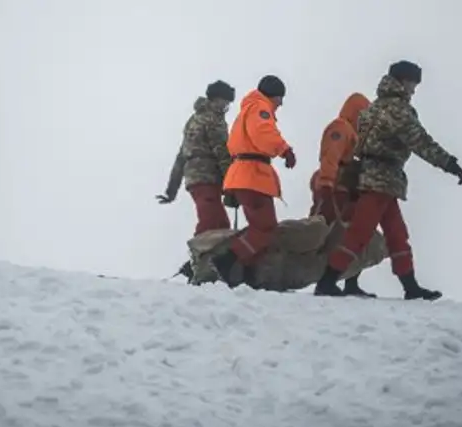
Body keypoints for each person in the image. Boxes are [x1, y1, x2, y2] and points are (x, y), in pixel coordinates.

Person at [314, 60, 462, 300]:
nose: (414, 90)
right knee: (360, 233)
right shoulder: (397, 110)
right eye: (413, 83)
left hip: (377, 179)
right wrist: (449, 163)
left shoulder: (372, 109)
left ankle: (410, 287)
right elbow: (420, 141)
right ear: (403, 81)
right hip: (381, 180)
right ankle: (327, 280)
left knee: (397, 233)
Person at [211, 75, 296, 287]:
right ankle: (226, 260)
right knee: (265, 228)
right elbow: (263, 133)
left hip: (243, 175)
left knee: (259, 228)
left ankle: (248, 274)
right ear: (273, 95)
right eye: (280, 98)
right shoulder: (259, 108)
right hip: (253, 176)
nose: (281, 103)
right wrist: (284, 150)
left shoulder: (246, 111)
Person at [310, 92, 376, 297]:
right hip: (335, 188)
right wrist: (327, 185)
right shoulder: (341, 128)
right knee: (326, 234)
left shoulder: (355, 135)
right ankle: (322, 280)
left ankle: (349, 280)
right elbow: (331, 157)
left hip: (347, 190)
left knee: (351, 235)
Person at [157, 80, 237, 236]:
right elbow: (222, 153)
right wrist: (232, 185)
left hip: (195, 180)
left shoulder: (194, 120)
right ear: (216, 99)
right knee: (211, 224)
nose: (226, 106)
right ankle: (199, 257)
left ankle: (206, 257)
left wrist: (171, 190)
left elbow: (182, 156)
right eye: (225, 102)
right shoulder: (214, 120)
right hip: (207, 177)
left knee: (220, 224)